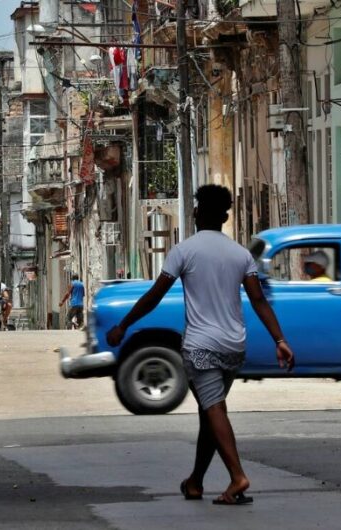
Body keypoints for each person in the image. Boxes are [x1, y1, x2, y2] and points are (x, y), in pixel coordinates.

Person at [106, 184, 294, 506]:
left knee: (214, 410)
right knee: (210, 413)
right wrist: (280, 340)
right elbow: (259, 300)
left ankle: (238, 477)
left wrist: (124, 325)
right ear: (224, 216)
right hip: (234, 347)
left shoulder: (184, 250)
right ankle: (195, 481)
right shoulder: (240, 254)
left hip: (201, 347)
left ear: (196, 213)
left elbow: (155, 295)